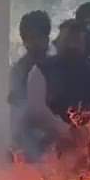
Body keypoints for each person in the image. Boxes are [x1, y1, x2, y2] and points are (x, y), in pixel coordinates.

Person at [24, 18, 90, 149]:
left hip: (88, 145)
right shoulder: (41, 70)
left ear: (84, 44)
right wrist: (65, 129)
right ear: (57, 43)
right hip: (48, 146)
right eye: (68, 40)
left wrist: (86, 131)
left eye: (76, 40)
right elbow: (36, 110)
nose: (72, 45)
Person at [10, 10, 53, 157]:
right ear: (24, 41)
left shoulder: (57, 65)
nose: (37, 42)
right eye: (32, 38)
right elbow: (18, 114)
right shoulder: (18, 72)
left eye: (41, 36)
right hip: (28, 143)